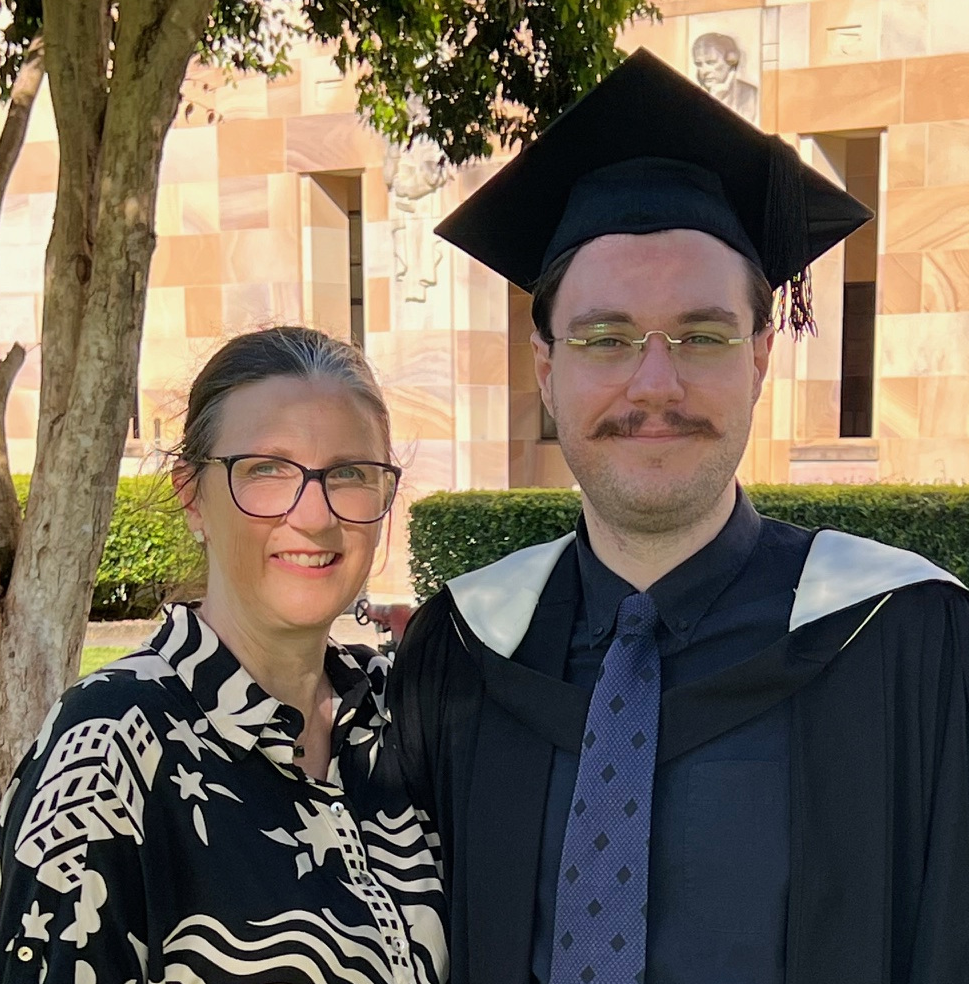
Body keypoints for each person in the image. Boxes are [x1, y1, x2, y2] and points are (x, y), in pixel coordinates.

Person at [388, 48, 969, 984]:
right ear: (546, 370)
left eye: (701, 335)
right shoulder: (460, 655)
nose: (654, 385)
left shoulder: (908, 643)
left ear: (760, 358)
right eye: (605, 338)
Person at [0, 327, 447, 984]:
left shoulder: (404, 715)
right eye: (266, 470)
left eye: (349, 473)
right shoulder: (107, 751)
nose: (315, 516)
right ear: (192, 496)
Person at [691, 33, 758, 123]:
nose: (704, 71)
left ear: (731, 61)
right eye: (699, 64)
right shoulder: (693, 98)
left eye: (711, 62)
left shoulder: (751, 95)